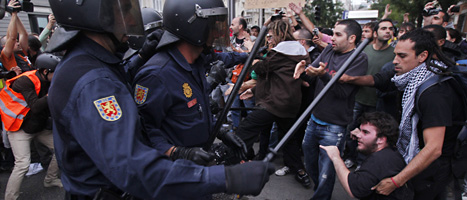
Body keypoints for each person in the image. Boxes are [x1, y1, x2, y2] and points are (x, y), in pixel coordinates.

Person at [46, 0, 274, 199]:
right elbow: (133, 164)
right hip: (142, 184)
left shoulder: (99, 66)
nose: (129, 19)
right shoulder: (94, 82)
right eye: (122, 9)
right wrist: (225, 177)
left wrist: (221, 132)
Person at [133, 1, 249, 165]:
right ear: (195, 27)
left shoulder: (195, 64)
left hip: (197, 169)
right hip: (173, 173)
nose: (217, 33)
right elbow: (143, 132)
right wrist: (176, 152)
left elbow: (198, 111)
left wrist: (221, 132)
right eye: (213, 26)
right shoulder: (157, 75)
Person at [370, 29, 465, 200]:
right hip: (424, 166)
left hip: (437, 171)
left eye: (402, 56)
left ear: (422, 56)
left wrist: (396, 181)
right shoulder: (417, 79)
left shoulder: (434, 93)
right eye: (395, 55)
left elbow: (434, 149)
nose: (395, 61)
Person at [293, 19, 368, 200]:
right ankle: (321, 190)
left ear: (352, 38)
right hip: (315, 118)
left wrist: (324, 75)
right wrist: (303, 70)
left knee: (327, 170)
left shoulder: (358, 58)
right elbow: (312, 73)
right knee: (310, 163)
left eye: (338, 34)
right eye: (333, 33)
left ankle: (322, 196)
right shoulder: (328, 49)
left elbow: (343, 92)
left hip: (334, 126)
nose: (332, 38)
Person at [236, 19, 311, 188]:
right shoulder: (298, 52)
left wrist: (251, 50)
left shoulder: (281, 52)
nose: (269, 39)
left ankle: (239, 159)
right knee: (288, 139)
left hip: (275, 103)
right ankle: (299, 170)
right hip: (289, 103)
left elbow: (260, 69)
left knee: (246, 128)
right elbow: (277, 79)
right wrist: (254, 91)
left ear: (279, 34)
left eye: (271, 36)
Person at [0, 53, 62, 200]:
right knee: (22, 164)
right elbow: (35, 106)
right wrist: (53, 92)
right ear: (45, 71)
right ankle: (10, 197)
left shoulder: (47, 81)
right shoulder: (25, 81)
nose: (58, 76)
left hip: (37, 126)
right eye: (55, 73)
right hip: (19, 128)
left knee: (61, 148)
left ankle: (50, 179)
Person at [321, 112, 413, 200]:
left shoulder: (378, 161)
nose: (359, 135)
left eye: (365, 132)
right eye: (360, 130)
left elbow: (353, 189)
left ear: (381, 139)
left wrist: (335, 157)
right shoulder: (391, 153)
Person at [345, 19, 396, 169]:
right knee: (352, 130)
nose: (388, 31)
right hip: (358, 99)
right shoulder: (364, 50)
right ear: (375, 33)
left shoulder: (394, 54)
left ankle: (362, 163)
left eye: (391, 29)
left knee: (369, 135)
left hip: (377, 103)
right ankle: (350, 157)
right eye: (384, 28)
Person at [1, 0, 31, 73]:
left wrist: (14, 14)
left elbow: (23, 34)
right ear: (5, 46)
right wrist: (13, 14)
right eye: (15, 42)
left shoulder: (21, 53)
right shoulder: (6, 55)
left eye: (18, 41)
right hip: (18, 83)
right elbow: (12, 38)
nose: (18, 43)